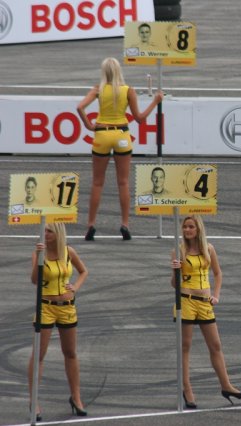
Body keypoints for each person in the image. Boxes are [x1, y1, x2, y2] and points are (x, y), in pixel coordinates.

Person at [77, 57, 163, 241]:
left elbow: (80, 107)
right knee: (123, 182)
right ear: (118, 71)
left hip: (102, 134)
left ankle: (91, 224)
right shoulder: (127, 90)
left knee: (97, 183)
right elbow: (139, 118)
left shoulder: (98, 89)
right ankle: (125, 223)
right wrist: (155, 102)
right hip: (122, 135)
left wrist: (89, 125)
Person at [171, 215, 241, 408]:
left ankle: (226, 385)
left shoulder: (209, 249)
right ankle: (187, 389)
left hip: (205, 302)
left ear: (198, 229)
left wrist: (216, 295)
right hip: (186, 301)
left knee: (215, 345)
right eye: (185, 227)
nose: (187, 230)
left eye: (191, 227)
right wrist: (175, 270)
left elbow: (218, 273)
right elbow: (174, 284)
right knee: (185, 346)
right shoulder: (178, 251)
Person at [28, 223, 89, 420]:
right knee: (39, 354)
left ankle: (76, 397)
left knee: (70, 352)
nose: (45, 234)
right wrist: (39, 258)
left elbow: (84, 271)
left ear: (58, 233)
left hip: (67, 307)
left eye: (49, 231)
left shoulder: (69, 251)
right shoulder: (39, 252)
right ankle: (34, 401)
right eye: (44, 231)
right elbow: (34, 280)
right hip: (45, 307)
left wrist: (75, 287)